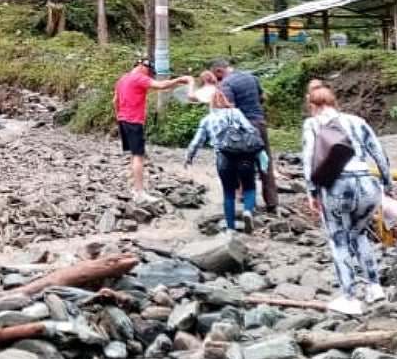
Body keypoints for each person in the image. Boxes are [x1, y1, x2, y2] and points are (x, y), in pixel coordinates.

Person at [302, 84, 393, 316]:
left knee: (339, 240)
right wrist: (388, 185)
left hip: (336, 186)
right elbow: (379, 153)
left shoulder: (312, 124)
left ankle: (350, 297)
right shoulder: (357, 121)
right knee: (359, 234)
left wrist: (312, 192)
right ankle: (374, 287)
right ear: (335, 103)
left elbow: (309, 159)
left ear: (312, 106)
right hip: (367, 184)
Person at [113, 57, 193, 203]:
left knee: (134, 155)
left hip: (123, 119)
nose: (149, 75)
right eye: (149, 71)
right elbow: (162, 85)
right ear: (143, 67)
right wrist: (180, 80)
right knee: (139, 156)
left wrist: (119, 115)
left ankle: (136, 187)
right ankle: (139, 192)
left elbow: (115, 100)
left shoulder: (123, 78)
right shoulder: (139, 78)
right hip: (134, 121)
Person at [184, 89, 260, 235]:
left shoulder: (207, 120)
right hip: (244, 156)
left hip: (223, 157)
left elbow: (196, 142)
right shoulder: (236, 113)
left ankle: (230, 228)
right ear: (225, 101)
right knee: (249, 186)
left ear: (211, 104)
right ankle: (248, 211)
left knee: (228, 192)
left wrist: (189, 157)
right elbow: (250, 130)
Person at [210, 59, 279, 212]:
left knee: (243, 162)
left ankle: (249, 202)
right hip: (260, 123)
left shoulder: (226, 84)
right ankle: (272, 201)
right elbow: (263, 97)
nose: (218, 80)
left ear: (219, 71)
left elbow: (230, 108)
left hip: (243, 127)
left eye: (217, 77)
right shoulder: (250, 77)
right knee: (265, 161)